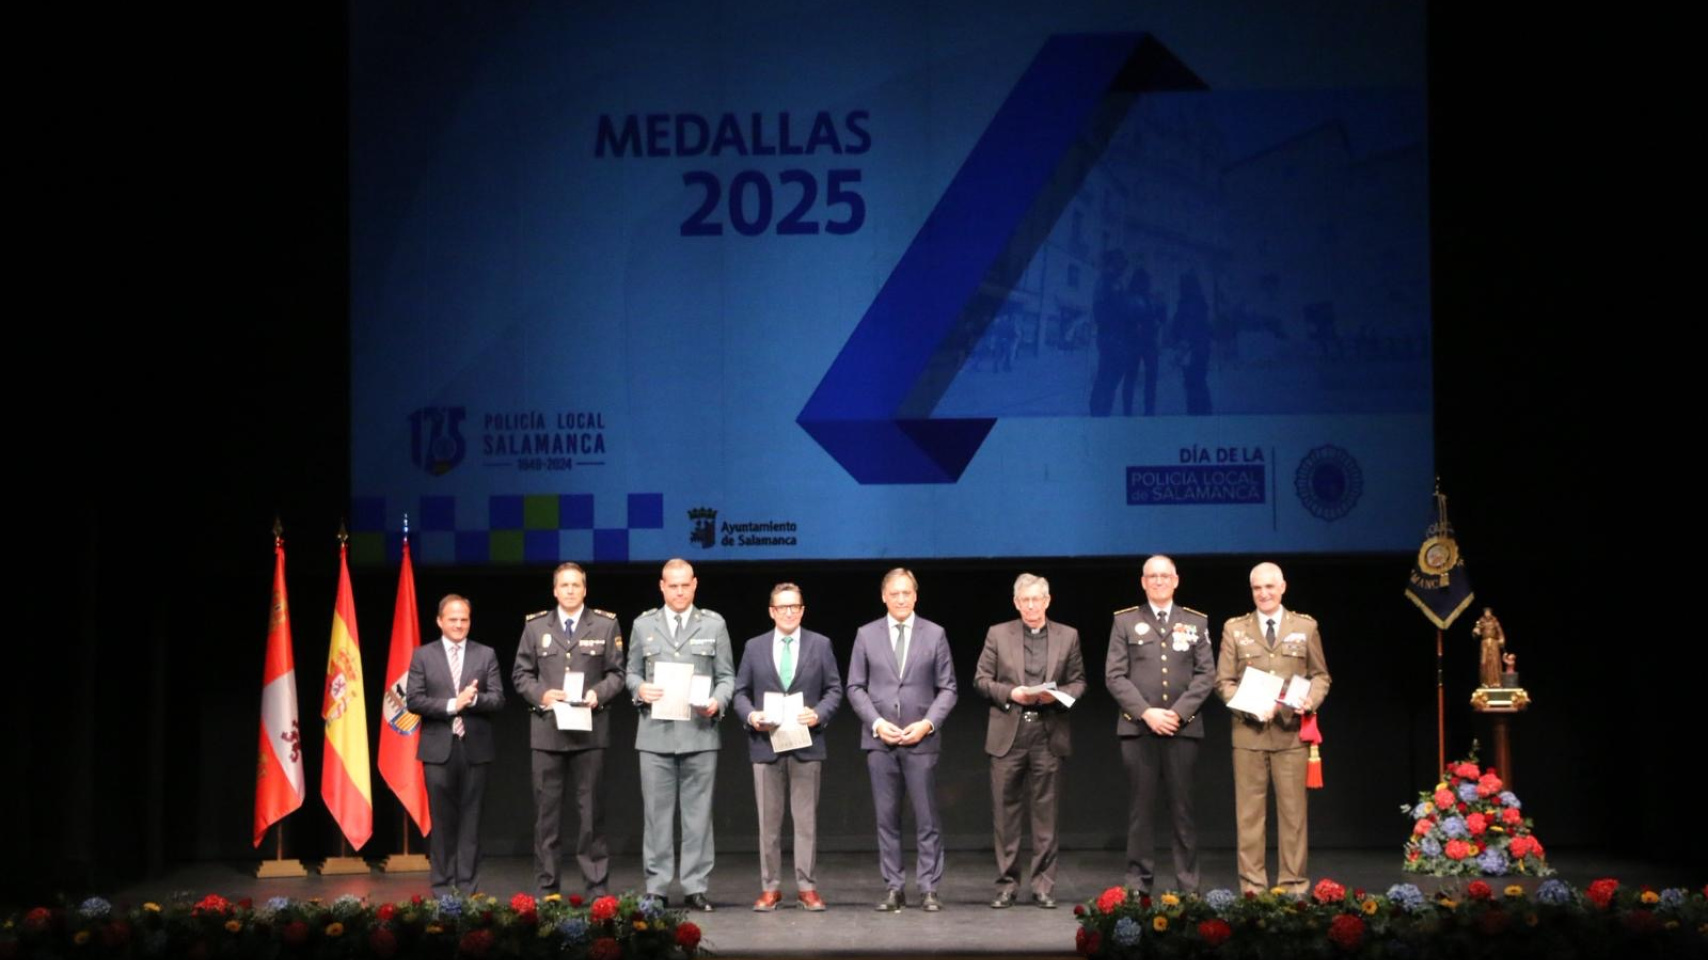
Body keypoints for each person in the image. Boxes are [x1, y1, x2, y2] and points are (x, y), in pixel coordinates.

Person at [1214, 562, 1331, 894]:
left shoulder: (1305, 627)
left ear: (1283, 587)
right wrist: (1250, 706)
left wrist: (1311, 698)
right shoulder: (1235, 629)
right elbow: (1223, 682)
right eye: (1257, 588)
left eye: (1269, 586)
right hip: (1249, 736)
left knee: (1294, 817)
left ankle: (1293, 886)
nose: (1263, 593)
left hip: (1292, 734)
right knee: (1250, 817)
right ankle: (1253, 888)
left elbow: (1321, 675)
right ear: (1251, 591)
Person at [511, 562, 626, 897]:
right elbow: (521, 675)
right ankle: (548, 889)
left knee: (592, 816)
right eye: (565, 585)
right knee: (546, 819)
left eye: (577, 585)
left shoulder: (605, 624)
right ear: (555, 590)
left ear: (585, 589)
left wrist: (597, 694)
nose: (571, 590)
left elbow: (617, 674)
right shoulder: (535, 627)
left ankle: (596, 890)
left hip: (590, 732)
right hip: (547, 732)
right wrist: (541, 695)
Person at [972, 573, 1086, 909]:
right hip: (1009, 731)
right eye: (1026, 600)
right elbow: (981, 680)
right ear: (1016, 603)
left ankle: (1043, 886)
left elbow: (1079, 682)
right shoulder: (998, 633)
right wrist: (1012, 693)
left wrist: (1058, 696)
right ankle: (1007, 884)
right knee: (1005, 814)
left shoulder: (1068, 636)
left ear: (1048, 601)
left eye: (1038, 599)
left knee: (1045, 812)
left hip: (1048, 732)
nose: (1032, 606)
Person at [626, 558, 734, 911]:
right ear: (662, 586)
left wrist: (718, 702)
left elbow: (727, 677)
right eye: (672, 585)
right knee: (656, 816)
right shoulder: (644, 625)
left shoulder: (714, 624)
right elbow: (630, 672)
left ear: (695, 584)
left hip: (699, 733)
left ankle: (695, 886)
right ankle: (656, 887)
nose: (679, 591)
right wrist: (640, 688)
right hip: (655, 735)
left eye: (685, 584)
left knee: (698, 815)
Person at [847, 568, 957, 912]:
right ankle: (894, 887)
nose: (900, 599)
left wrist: (927, 724)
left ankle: (928, 888)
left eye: (906, 593)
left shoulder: (934, 634)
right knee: (886, 819)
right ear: (884, 596)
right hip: (880, 741)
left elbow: (949, 688)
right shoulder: (866, 635)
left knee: (926, 818)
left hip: (920, 740)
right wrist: (877, 723)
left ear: (915, 595)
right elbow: (854, 687)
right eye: (894, 593)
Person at [1105, 555, 1214, 894]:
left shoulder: (1195, 621)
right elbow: (1114, 675)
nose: (1158, 581)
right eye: (1151, 576)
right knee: (1141, 811)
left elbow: (1206, 674)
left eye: (1164, 576)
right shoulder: (1125, 622)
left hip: (1183, 729)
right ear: (1143, 582)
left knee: (1183, 811)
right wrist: (1147, 713)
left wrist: (1177, 714)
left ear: (1176, 580)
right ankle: (1139, 883)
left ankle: (1187, 884)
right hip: (1139, 730)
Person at [732, 583, 844, 912]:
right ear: (772, 611)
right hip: (765, 745)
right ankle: (771, 887)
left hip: (806, 744)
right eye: (783, 607)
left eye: (795, 606)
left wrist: (819, 714)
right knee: (769, 823)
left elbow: (835, 690)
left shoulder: (820, 645)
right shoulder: (754, 647)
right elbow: (740, 692)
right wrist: (752, 716)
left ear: (803, 609)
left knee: (805, 820)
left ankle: (806, 887)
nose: (789, 612)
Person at [405, 594, 505, 896]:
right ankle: (441, 888)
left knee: (471, 821)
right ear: (439, 621)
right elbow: (414, 700)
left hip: (475, 748)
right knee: (442, 822)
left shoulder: (485, 654)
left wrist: (474, 699)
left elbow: (498, 699)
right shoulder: (423, 655)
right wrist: (452, 704)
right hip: (438, 750)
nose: (459, 624)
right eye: (453, 619)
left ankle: (468, 887)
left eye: (464, 619)